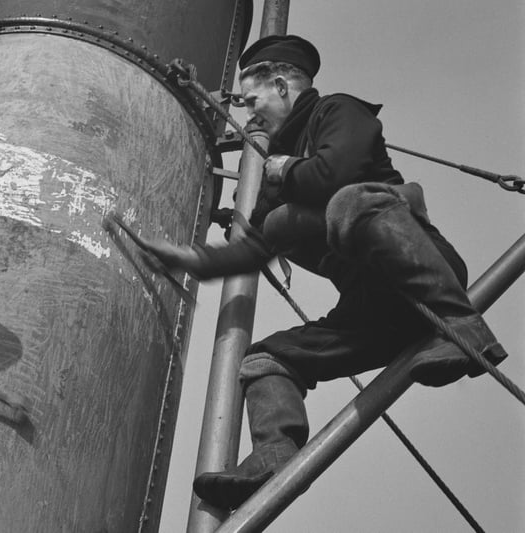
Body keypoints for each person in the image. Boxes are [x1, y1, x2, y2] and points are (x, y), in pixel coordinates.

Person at [143, 35, 508, 510]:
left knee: (351, 202)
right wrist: (191, 259)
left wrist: (287, 172)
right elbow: (255, 247)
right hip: (372, 312)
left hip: (417, 275)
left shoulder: (339, 112)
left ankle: (464, 328)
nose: (249, 115)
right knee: (265, 360)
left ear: (281, 85)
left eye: (253, 101)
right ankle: (275, 453)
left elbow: (335, 175)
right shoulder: (277, 175)